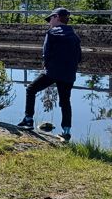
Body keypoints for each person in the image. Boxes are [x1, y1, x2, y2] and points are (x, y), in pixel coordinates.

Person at [17, 7, 82, 141]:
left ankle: (28, 120)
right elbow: (79, 57)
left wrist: (47, 66)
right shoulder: (75, 37)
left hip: (52, 72)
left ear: (57, 17)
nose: (49, 22)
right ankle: (66, 132)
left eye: (50, 19)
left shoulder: (51, 33)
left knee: (31, 89)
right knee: (65, 102)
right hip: (68, 75)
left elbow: (46, 53)